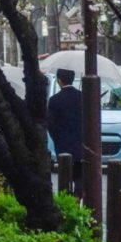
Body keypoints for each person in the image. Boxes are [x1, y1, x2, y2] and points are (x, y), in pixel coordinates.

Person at [47, 68, 84, 198]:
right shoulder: (82, 97)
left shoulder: (54, 100)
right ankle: (78, 197)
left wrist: (56, 137)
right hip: (80, 142)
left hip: (62, 143)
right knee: (79, 175)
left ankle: (66, 200)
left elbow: (50, 124)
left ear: (59, 80)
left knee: (65, 174)